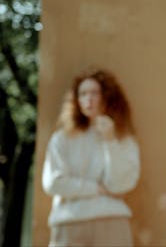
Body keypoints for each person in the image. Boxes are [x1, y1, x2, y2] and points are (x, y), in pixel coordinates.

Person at [42, 66, 140, 246]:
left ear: (107, 97)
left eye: (95, 92)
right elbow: (53, 183)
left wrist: (110, 141)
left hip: (112, 222)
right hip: (68, 223)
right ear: (76, 100)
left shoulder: (123, 138)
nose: (89, 99)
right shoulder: (62, 138)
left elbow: (121, 185)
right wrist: (97, 189)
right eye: (83, 93)